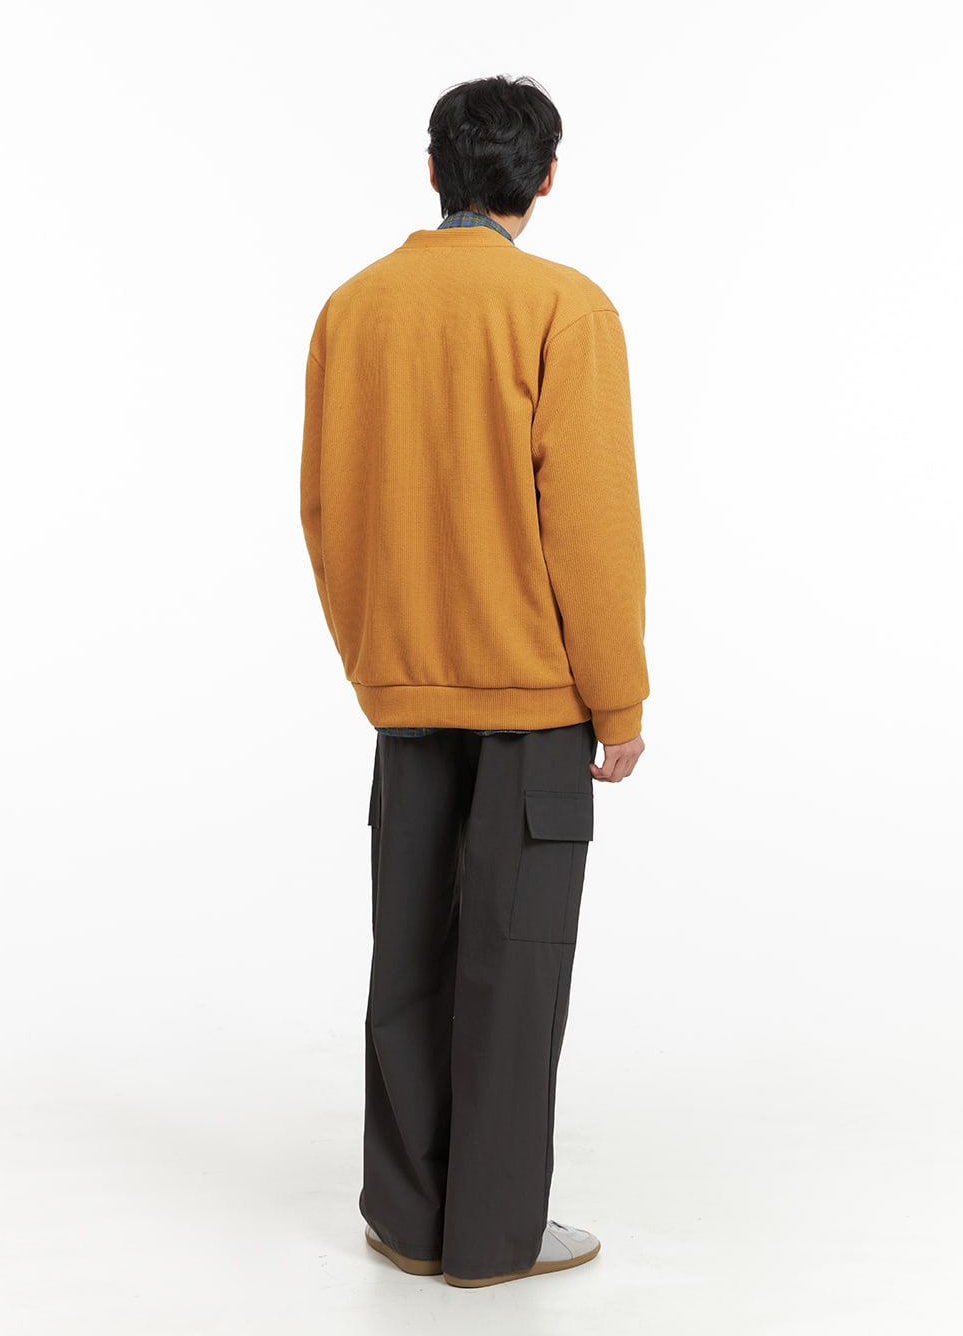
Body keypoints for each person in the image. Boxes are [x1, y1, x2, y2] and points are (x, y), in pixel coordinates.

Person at [299, 73, 649, 1288]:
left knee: (408, 958)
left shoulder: (354, 309)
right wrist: (618, 698)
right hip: (530, 703)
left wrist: (377, 661)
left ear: (432, 169)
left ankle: (405, 1218)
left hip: (405, 700)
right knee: (513, 965)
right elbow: (589, 526)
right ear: (544, 179)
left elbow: (325, 511)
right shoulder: (564, 309)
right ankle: (492, 1237)